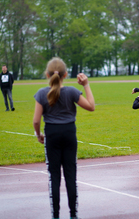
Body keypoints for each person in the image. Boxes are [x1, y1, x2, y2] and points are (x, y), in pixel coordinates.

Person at [33, 57, 95, 219]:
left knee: (54, 176)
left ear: (47, 75)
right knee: (70, 175)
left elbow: (36, 120)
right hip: (69, 133)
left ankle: (55, 215)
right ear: (65, 74)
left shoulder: (41, 93)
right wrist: (86, 85)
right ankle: (73, 215)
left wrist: (39, 134)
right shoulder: (72, 91)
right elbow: (91, 107)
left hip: (52, 134)